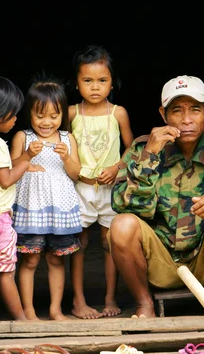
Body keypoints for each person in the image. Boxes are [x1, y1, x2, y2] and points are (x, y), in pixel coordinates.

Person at [109, 75, 204, 318]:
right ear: (163, 114)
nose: (187, 119)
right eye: (177, 110)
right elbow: (122, 203)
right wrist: (149, 157)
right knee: (121, 225)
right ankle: (144, 305)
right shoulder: (141, 149)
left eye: (195, 110)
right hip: (159, 263)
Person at [69, 45, 134, 318]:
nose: (95, 87)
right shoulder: (71, 113)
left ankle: (110, 298)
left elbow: (132, 149)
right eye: (87, 80)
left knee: (110, 244)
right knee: (78, 244)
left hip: (110, 189)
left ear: (112, 83)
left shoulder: (118, 113)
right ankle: (78, 301)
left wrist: (117, 167)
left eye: (102, 81)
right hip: (80, 188)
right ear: (76, 83)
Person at [10, 78, 83, 321]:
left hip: (60, 208)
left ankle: (55, 309)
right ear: (29, 113)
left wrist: (66, 158)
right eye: (40, 115)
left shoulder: (67, 139)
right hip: (32, 207)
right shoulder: (23, 137)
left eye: (54, 115)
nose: (47, 122)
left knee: (56, 259)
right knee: (30, 259)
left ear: (63, 113)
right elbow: (10, 168)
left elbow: (75, 173)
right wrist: (28, 156)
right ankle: (28, 310)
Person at [0, 75, 42, 321]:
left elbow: (4, 168)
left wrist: (26, 156)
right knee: (6, 271)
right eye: (13, 114)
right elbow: (6, 179)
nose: (17, 119)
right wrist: (26, 164)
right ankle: (21, 320)